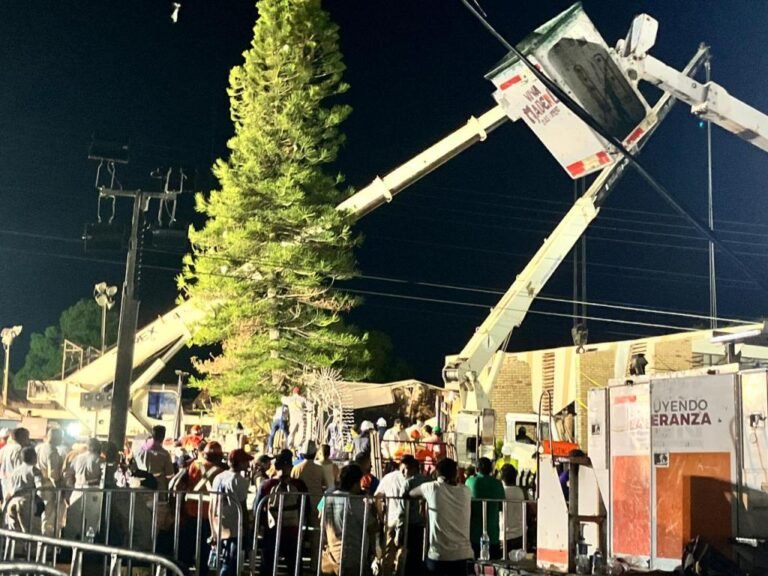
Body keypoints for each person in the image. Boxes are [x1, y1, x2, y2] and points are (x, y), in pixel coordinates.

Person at [409, 458, 473, 576]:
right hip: (464, 555)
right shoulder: (466, 491)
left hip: (439, 557)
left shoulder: (432, 488)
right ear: (456, 473)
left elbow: (411, 493)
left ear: (437, 473)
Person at [179, 440, 226, 576]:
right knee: (203, 555)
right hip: (208, 517)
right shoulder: (221, 472)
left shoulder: (194, 465)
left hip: (191, 513)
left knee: (186, 551)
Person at [322, 464, 378, 576]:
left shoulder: (327, 497)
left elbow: (320, 516)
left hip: (330, 557)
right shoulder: (354, 502)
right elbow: (372, 526)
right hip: (350, 558)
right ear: (355, 483)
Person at [257, 451, 307, 576]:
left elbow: (257, 508)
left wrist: (260, 527)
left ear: (276, 466)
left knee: (267, 567)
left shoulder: (266, 485)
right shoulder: (299, 485)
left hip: (271, 531)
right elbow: (307, 509)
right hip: (293, 532)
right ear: (291, 466)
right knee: (294, 568)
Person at [210, 449, 253, 576]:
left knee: (224, 557)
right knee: (231, 561)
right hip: (234, 525)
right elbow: (242, 505)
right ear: (240, 463)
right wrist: (247, 525)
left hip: (219, 522)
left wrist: (212, 528)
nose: (248, 464)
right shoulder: (240, 481)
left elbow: (212, 504)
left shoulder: (218, 477)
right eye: (246, 461)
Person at [466, 457, 505, 560]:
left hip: (474, 533)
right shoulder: (497, 484)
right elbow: (502, 506)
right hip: (493, 535)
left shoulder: (470, 482)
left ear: (477, 469)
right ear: (491, 469)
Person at [401, 454, 429, 575]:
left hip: (411, 524)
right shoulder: (428, 481)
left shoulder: (408, 483)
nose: (403, 471)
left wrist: (399, 528)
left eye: (405, 468)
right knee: (421, 555)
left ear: (412, 468)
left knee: (410, 557)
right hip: (425, 524)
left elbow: (402, 507)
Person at [4, 446, 42, 533]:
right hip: (26, 503)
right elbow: (40, 489)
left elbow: (9, 487)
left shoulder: (15, 471)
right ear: (34, 456)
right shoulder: (34, 470)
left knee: (14, 535)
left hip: (12, 502)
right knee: (31, 534)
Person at [36, 427, 65, 536]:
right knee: (49, 515)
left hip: (40, 484)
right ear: (56, 438)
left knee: (42, 513)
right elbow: (52, 474)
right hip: (49, 486)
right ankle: (47, 540)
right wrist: (59, 489)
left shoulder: (39, 448)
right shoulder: (52, 451)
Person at [136, 425, 174, 492]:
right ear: (163, 437)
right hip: (157, 489)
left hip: (140, 487)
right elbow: (169, 475)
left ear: (152, 435)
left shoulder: (140, 451)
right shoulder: (164, 454)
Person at [500, 464, 526, 552]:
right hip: (520, 535)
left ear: (502, 478)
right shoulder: (521, 492)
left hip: (503, 536)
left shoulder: (500, 492)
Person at [0, 427, 30, 500]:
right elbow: (21, 469)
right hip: (17, 488)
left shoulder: (4, 449)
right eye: (27, 437)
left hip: (5, 485)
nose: (28, 440)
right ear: (22, 437)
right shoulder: (20, 450)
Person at [282, 387, 307, 452]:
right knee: (301, 433)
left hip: (293, 418)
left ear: (293, 392)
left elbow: (282, 399)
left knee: (292, 433)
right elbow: (309, 406)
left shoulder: (290, 399)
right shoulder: (302, 399)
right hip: (301, 418)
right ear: (300, 392)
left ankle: (290, 447)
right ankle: (299, 447)